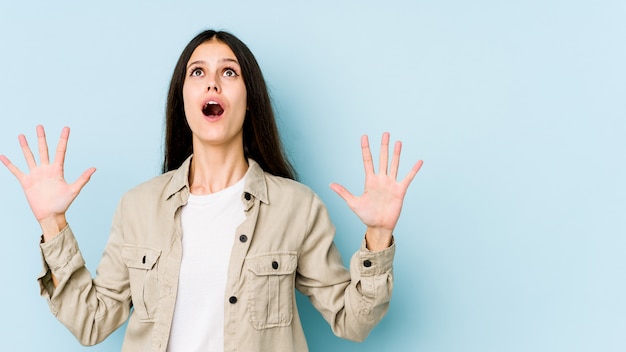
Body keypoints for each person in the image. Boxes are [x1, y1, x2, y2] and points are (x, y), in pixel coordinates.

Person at [0, 30, 423, 352]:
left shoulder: (297, 206)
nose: (212, 84)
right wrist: (52, 223)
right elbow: (92, 322)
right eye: (197, 72)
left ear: (249, 98)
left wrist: (379, 235)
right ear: (183, 98)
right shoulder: (138, 207)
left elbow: (353, 321)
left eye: (229, 72)